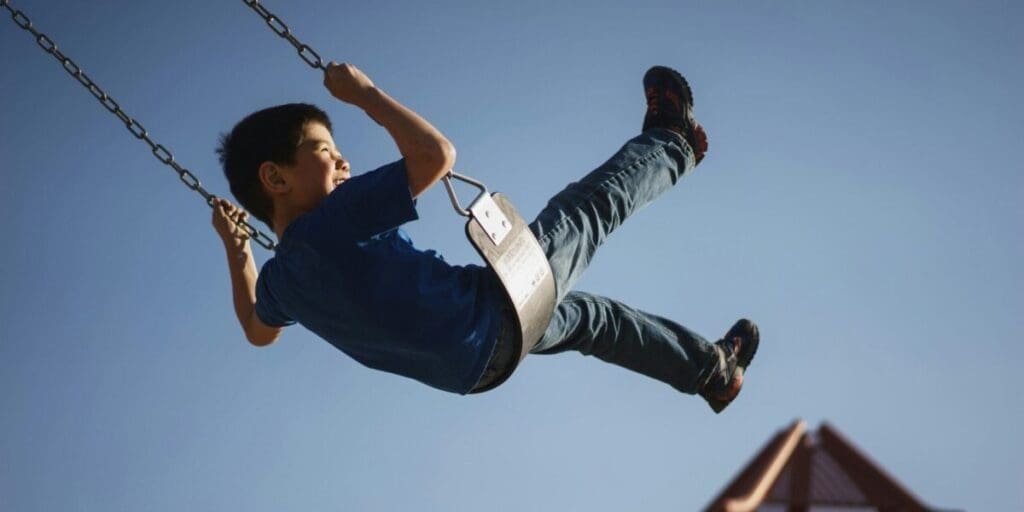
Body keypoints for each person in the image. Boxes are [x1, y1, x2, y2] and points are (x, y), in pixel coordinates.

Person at [212, 63, 759, 413]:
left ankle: (712, 371)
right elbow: (435, 156)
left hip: (474, 368)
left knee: (596, 321)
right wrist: (367, 95)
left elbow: (257, 330)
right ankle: (673, 143)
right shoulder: (331, 222)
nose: (342, 158)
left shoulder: (282, 280)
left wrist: (239, 252)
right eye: (324, 150)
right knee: (584, 213)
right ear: (276, 177)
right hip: (489, 314)